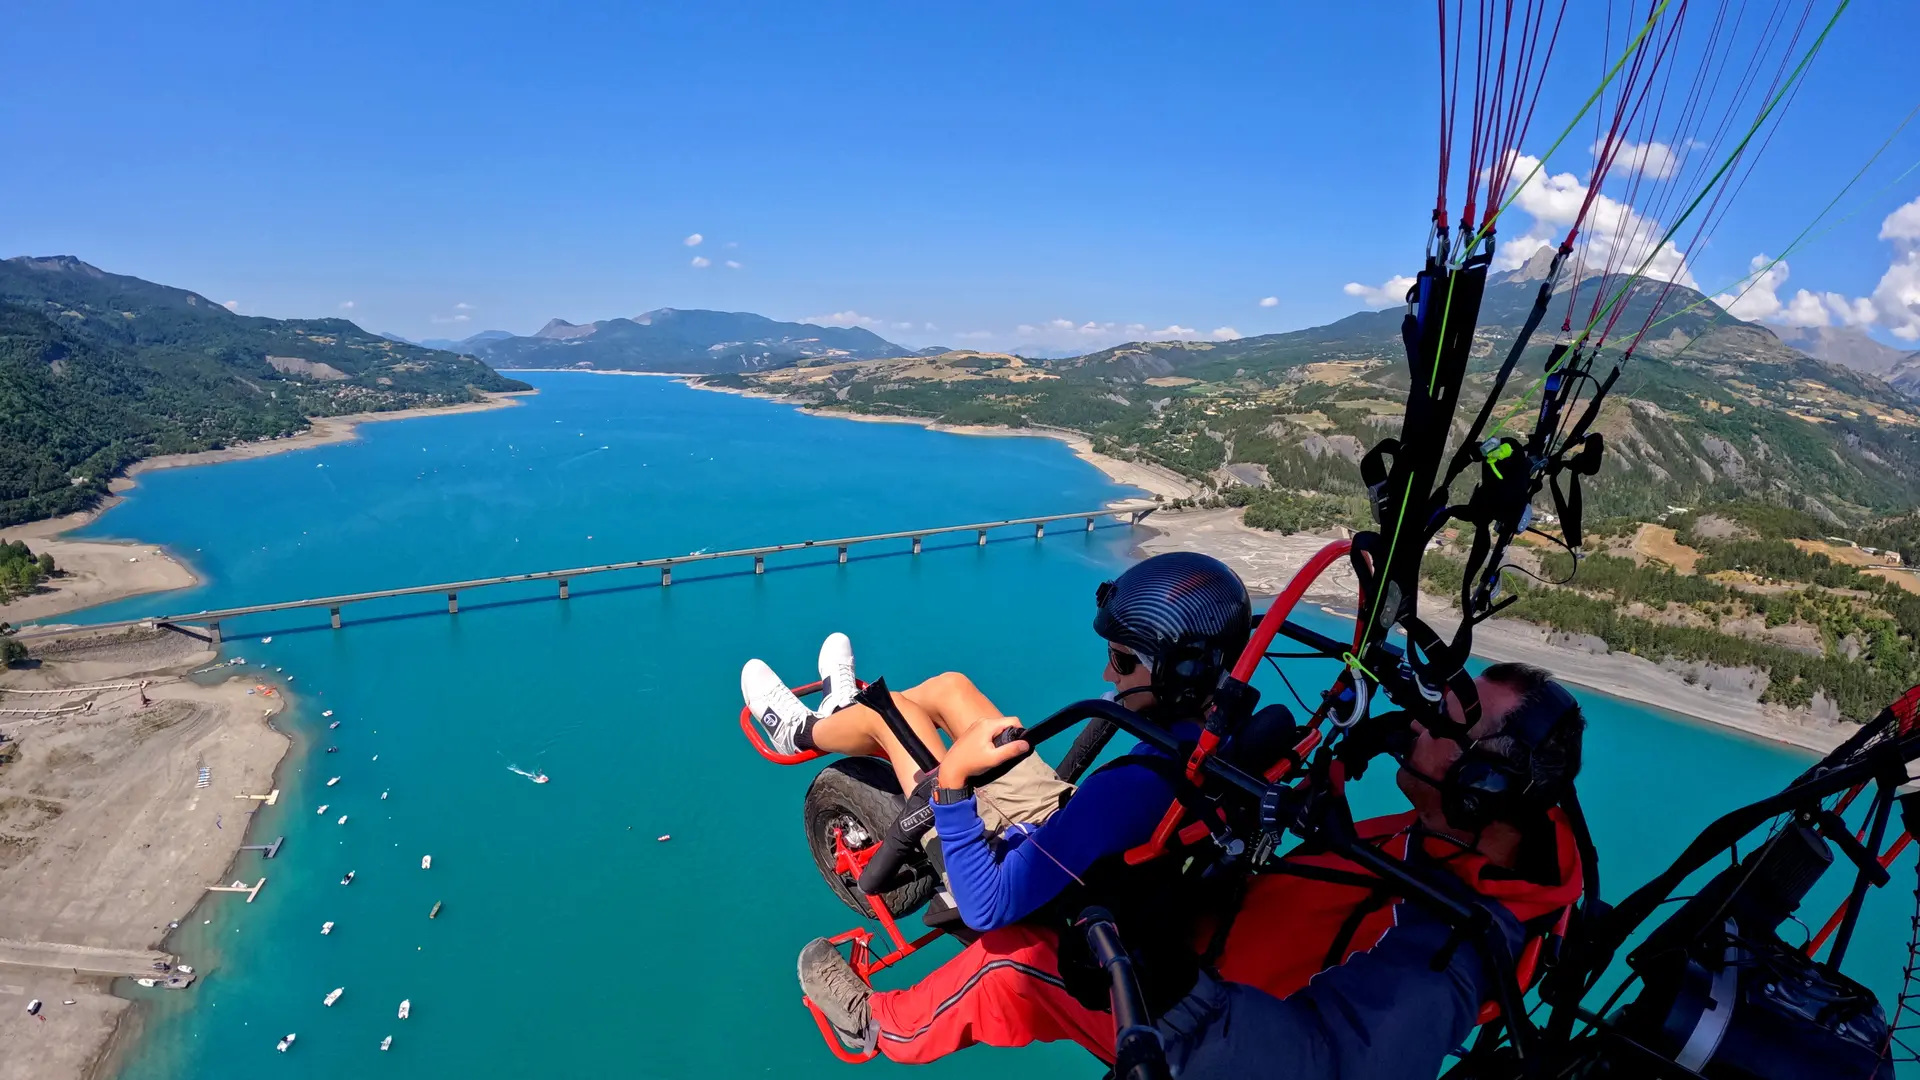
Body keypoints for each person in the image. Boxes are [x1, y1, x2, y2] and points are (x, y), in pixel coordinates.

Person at [797, 647, 1585, 1079]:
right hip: (1194, 913)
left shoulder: (1441, 965)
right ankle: (832, 716)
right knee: (957, 698)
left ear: (1485, 784)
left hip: (1185, 1012)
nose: (1414, 726)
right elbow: (1341, 893)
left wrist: (1178, 996)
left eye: (1439, 724)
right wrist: (1349, 768)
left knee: (1012, 964)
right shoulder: (1472, 836)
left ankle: (876, 1024)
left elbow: (1332, 1068)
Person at [770, 552, 1258, 1062]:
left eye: (1122, 660)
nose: (1107, 674)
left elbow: (986, 905)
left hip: (1009, 873)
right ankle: (838, 711)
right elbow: (1098, 818)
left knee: (887, 721)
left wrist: (954, 783)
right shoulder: (1222, 737)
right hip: (1074, 836)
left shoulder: (1134, 787)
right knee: (950, 689)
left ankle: (803, 731)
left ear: (1176, 674)